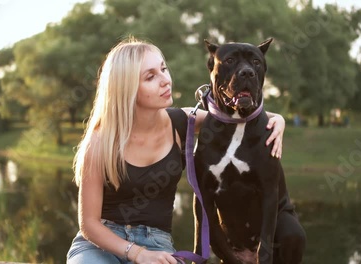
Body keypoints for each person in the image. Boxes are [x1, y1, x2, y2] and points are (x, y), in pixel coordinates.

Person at [66, 37, 286, 264]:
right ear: (126, 88)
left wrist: (278, 119)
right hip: (101, 244)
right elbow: (89, 225)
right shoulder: (101, 140)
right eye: (150, 76)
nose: (165, 81)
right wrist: (138, 254)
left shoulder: (184, 122)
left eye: (163, 69)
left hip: (157, 243)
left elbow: (234, 116)